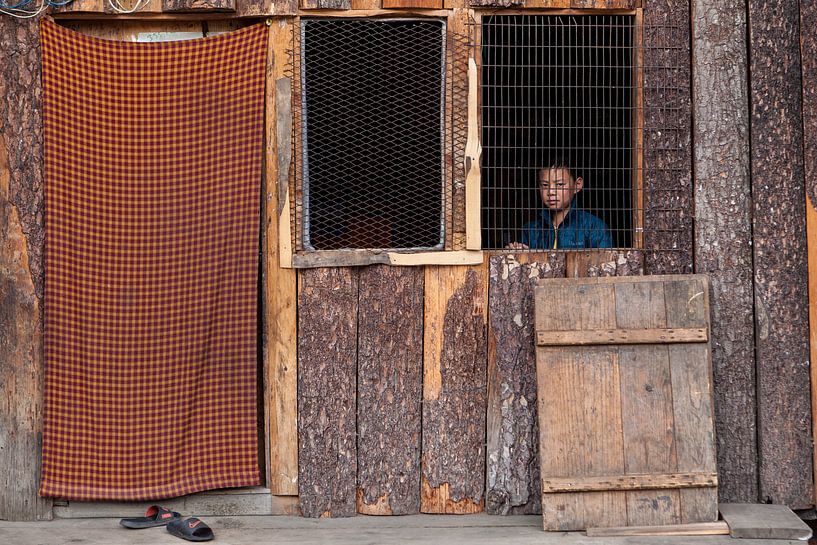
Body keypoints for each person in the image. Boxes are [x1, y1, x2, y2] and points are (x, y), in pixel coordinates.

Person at [506, 161, 613, 250]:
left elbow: (603, 267)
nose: (551, 191)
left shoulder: (594, 227)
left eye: (560, 184)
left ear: (577, 185)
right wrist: (518, 254)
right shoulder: (530, 230)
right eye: (545, 185)